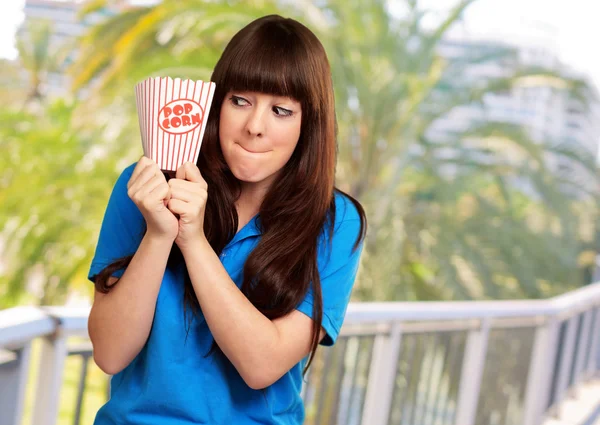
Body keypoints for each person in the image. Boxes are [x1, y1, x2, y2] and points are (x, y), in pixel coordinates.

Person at [87, 14, 367, 425]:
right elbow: (110, 353)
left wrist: (193, 241)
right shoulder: (143, 186)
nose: (256, 126)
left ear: (310, 125)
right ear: (216, 105)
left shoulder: (336, 223)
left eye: (281, 110)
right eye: (241, 101)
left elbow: (261, 366)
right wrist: (159, 234)